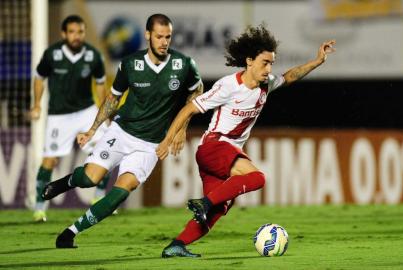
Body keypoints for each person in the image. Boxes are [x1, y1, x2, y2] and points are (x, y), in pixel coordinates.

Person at [156, 24, 336, 257]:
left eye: (271, 62)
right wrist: (168, 139)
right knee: (257, 178)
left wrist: (318, 60)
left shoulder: (265, 84)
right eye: (264, 62)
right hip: (214, 147)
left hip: (220, 154)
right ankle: (205, 202)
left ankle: (176, 245)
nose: (269, 68)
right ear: (249, 61)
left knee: (217, 210)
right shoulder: (228, 86)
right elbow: (189, 108)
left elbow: (289, 77)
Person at [41, 13, 203, 248]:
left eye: (168, 37)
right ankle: (65, 183)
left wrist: (181, 129)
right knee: (89, 178)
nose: (164, 42)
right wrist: (92, 130)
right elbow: (112, 98)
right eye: (159, 36)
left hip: (150, 145)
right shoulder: (130, 64)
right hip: (122, 132)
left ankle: (70, 233)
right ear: (147, 35)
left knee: (121, 192)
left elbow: (196, 90)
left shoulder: (183, 64)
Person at [30, 15, 112, 222]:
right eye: (72, 32)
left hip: (86, 111)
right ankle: (39, 208)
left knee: (104, 150)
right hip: (59, 115)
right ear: (64, 34)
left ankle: (99, 198)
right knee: (50, 160)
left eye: (80, 32)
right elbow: (39, 78)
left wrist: (104, 114)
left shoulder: (93, 56)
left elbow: (101, 85)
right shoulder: (52, 54)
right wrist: (37, 104)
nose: (77, 36)